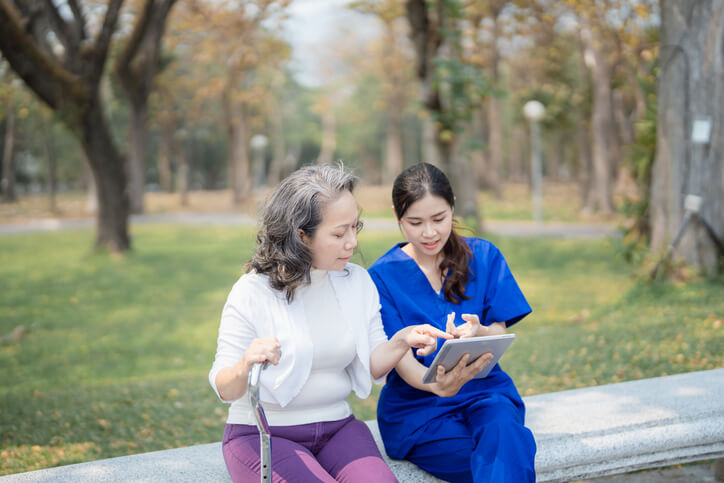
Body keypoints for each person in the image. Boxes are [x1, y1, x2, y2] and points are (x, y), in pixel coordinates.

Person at [209, 164, 449, 483]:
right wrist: (244, 365)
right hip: (262, 435)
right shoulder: (253, 290)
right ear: (301, 235)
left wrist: (403, 339)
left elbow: (373, 363)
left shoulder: (357, 282)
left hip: (338, 429)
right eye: (339, 233)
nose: (352, 243)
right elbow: (223, 385)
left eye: (355, 228)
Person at [368, 163, 537, 483]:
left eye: (439, 219)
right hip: (419, 409)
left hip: (485, 393)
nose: (429, 233)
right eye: (415, 222)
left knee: (503, 431)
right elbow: (401, 361)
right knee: (507, 458)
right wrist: (437, 385)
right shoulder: (381, 277)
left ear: (453, 205)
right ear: (397, 216)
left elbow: (498, 330)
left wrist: (480, 331)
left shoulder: (484, 256)